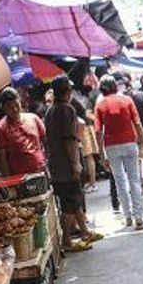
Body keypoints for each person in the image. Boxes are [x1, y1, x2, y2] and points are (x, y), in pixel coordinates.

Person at [44, 76, 103, 252]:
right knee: (70, 202)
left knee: (73, 199)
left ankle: (85, 232)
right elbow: (70, 141)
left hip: (56, 165)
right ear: (68, 92)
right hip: (66, 166)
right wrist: (75, 164)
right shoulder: (67, 110)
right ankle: (66, 241)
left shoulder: (50, 111)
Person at [94, 74, 143, 229]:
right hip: (130, 143)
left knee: (120, 182)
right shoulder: (127, 100)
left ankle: (127, 217)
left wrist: (101, 154)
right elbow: (137, 124)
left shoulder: (100, 105)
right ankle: (138, 217)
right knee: (134, 180)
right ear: (115, 86)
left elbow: (98, 131)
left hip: (111, 147)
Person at [0, 88, 47, 176]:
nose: (14, 109)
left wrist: (47, 161)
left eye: (16, 105)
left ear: (20, 102)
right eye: (9, 107)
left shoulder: (33, 118)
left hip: (41, 171)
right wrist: (10, 182)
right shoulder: (1, 128)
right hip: (20, 178)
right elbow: (2, 159)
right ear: (3, 108)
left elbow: (46, 140)